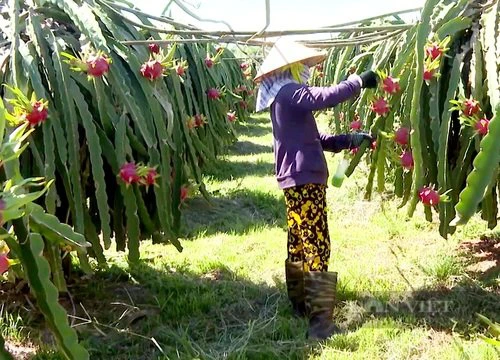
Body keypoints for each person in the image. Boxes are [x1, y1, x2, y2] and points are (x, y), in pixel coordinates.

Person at [254, 39, 378, 340]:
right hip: (304, 179)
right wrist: (358, 82)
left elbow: (314, 137)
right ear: (289, 67)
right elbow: (323, 97)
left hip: (296, 178)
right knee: (316, 243)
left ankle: (299, 304)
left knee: (299, 239)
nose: (306, 70)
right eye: (302, 66)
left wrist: (348, 139)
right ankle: (320, 323)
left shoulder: (284, 99)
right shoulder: (288, 91)